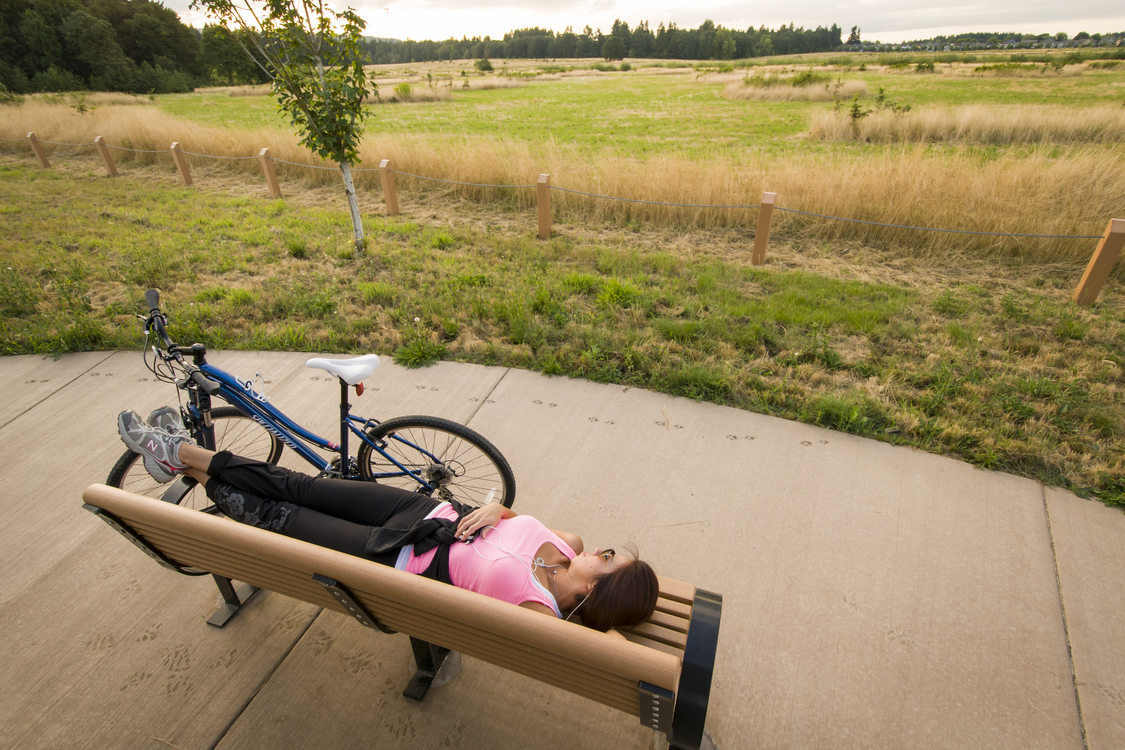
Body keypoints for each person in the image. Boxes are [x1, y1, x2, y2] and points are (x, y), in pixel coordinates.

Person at [117, 410, 659, 632]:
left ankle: (181, 460)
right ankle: (180, 451)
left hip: (390, 557)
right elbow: (516, 522)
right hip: (422, 512)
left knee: (286, 515)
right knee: (301, 485)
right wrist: (497, 510)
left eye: (609, 562)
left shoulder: (539, 612)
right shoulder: (568, 545)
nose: (599, 552)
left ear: (597, 589)